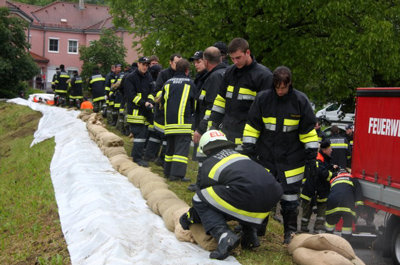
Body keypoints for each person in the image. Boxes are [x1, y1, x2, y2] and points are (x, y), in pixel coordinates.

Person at [243, 66, 319, 244]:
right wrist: (249, 150)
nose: (280, 91)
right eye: (277, 87)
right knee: (262, 193)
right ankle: (258, 228)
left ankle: (289, 233)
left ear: (289, 83)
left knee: (290, 197)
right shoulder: (263, 99)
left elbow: (308, 131)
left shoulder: (300, 100)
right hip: (266, 155)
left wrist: (312, 157)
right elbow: (252, 126)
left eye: (283, 87)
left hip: (292, 158)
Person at [179, 130, 283, 260]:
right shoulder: (241, 156)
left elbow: (206, 201)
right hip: (272, 193)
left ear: (207, 150)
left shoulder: (210, 163)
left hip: (247, 194)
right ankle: (250, 235)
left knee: (199, 197)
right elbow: (257, 186)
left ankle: (224, 236)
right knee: (238, 193)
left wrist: (189, 217)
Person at [209, 38, 273, 153]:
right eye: (232, 58)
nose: (235, 62)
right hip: (227, 134)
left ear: (247, 52)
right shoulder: (229, 72)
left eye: (238, 58)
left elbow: (267, 111)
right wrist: (213, 123)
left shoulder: (263, 76)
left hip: (248, 138)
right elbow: (221, 99)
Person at [189, 46, 227, 192]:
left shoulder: (215, 77)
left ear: (205, 60)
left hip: (210, 125)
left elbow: (212, 106)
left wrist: (201, 127)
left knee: (205, 155)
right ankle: (200, 183)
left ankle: (202, 184)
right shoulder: (219, 74)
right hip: (214, 123)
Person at [161, 59, 195, 181]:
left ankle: (167, 172)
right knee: (181, 151)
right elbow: (193, 104)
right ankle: (177, 175)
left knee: (170, 149)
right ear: (187, 70)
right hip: (183, 124)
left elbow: (163, 102)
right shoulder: (190, 83)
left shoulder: (167, 83)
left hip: (169, 123)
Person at [300, 140, 339, 233]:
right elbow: (323, 174)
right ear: (325, 150)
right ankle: (303, 226)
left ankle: (318, 225)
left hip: (321, 189)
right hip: (311, 189)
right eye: (330, 149)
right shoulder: (318, 159)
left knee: (322, 207)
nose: (331, 150)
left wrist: (332, 166)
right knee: (307, 208)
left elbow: (325, 166)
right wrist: (335, 174)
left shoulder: (323, 157)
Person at [153, 54, 182, 167]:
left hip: (176, 110)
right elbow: (158, 91)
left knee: (170, 137)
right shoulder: (164, 74)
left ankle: (163, 158)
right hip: (163, 109)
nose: (178, 66)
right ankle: (160, 158)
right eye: (176, 63)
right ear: (170, 62)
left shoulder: (183, 74)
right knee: (164, 135)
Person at [124, 57, 154, 167]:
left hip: (146, 111)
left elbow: (152, 91)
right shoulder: (130, 77)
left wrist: (150, 101)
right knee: (139, 135)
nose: (145, 67)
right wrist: (143, 103)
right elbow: (131, 95)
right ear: (138, 64)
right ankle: (136, 158)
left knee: (144, 134)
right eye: (143, 64)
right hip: (136, 112)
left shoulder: (148, 76)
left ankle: (137, 155)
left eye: (147, 65)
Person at [325, 170, 365, 240]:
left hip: (333, 202)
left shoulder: (334, 179)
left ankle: (327, 238)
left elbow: (329, 193)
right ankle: (345, 241)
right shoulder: (353, 179)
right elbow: (358, 197)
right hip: (347, 202)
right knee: (347, 221)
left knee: (331, 221)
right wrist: (360, 209)